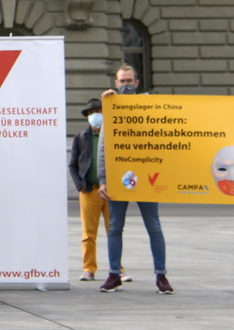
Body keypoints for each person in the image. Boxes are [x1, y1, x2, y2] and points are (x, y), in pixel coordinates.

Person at [98, 64, 173, 294]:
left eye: (130, 81)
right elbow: (103, 147)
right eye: (122, 81)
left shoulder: (149, 106)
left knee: (154, 227)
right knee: (115, 228)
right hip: (118, 178)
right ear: (116, 83)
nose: (126, 85)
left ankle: (161, 276)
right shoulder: (110, 108)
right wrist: (103, 179)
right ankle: (114, 274)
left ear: (137, 83)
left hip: (146, 176)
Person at [69, 98, 110, 282]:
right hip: (89, 190)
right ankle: (89, 268)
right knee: (88, 234)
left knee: (114, 231)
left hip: (111, 192)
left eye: (99, 111)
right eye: (91, 113)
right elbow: (72, 165)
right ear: (87, 117)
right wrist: (80, 185)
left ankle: (117, 269)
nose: (95, 115)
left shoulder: (113, 135)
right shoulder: (81, 137)